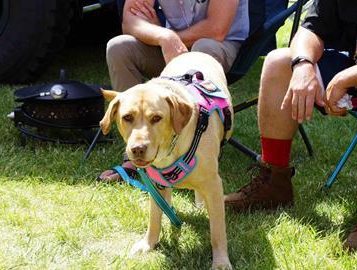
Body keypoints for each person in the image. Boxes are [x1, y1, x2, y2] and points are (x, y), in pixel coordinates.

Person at [224, 0, 357, 250]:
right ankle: (275, 182)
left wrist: (347, 78)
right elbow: (309, 29)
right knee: (280, 61)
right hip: (353, 64)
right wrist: (303, 65)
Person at [98, 0, 250, 182]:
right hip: (170, 49)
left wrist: (173, 37)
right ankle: (135, 155)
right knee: (119, 47)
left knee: (204, 46)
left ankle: (199, 151)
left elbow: (216, 29)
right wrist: (164, 37)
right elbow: (130, 21)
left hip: (216, 46)